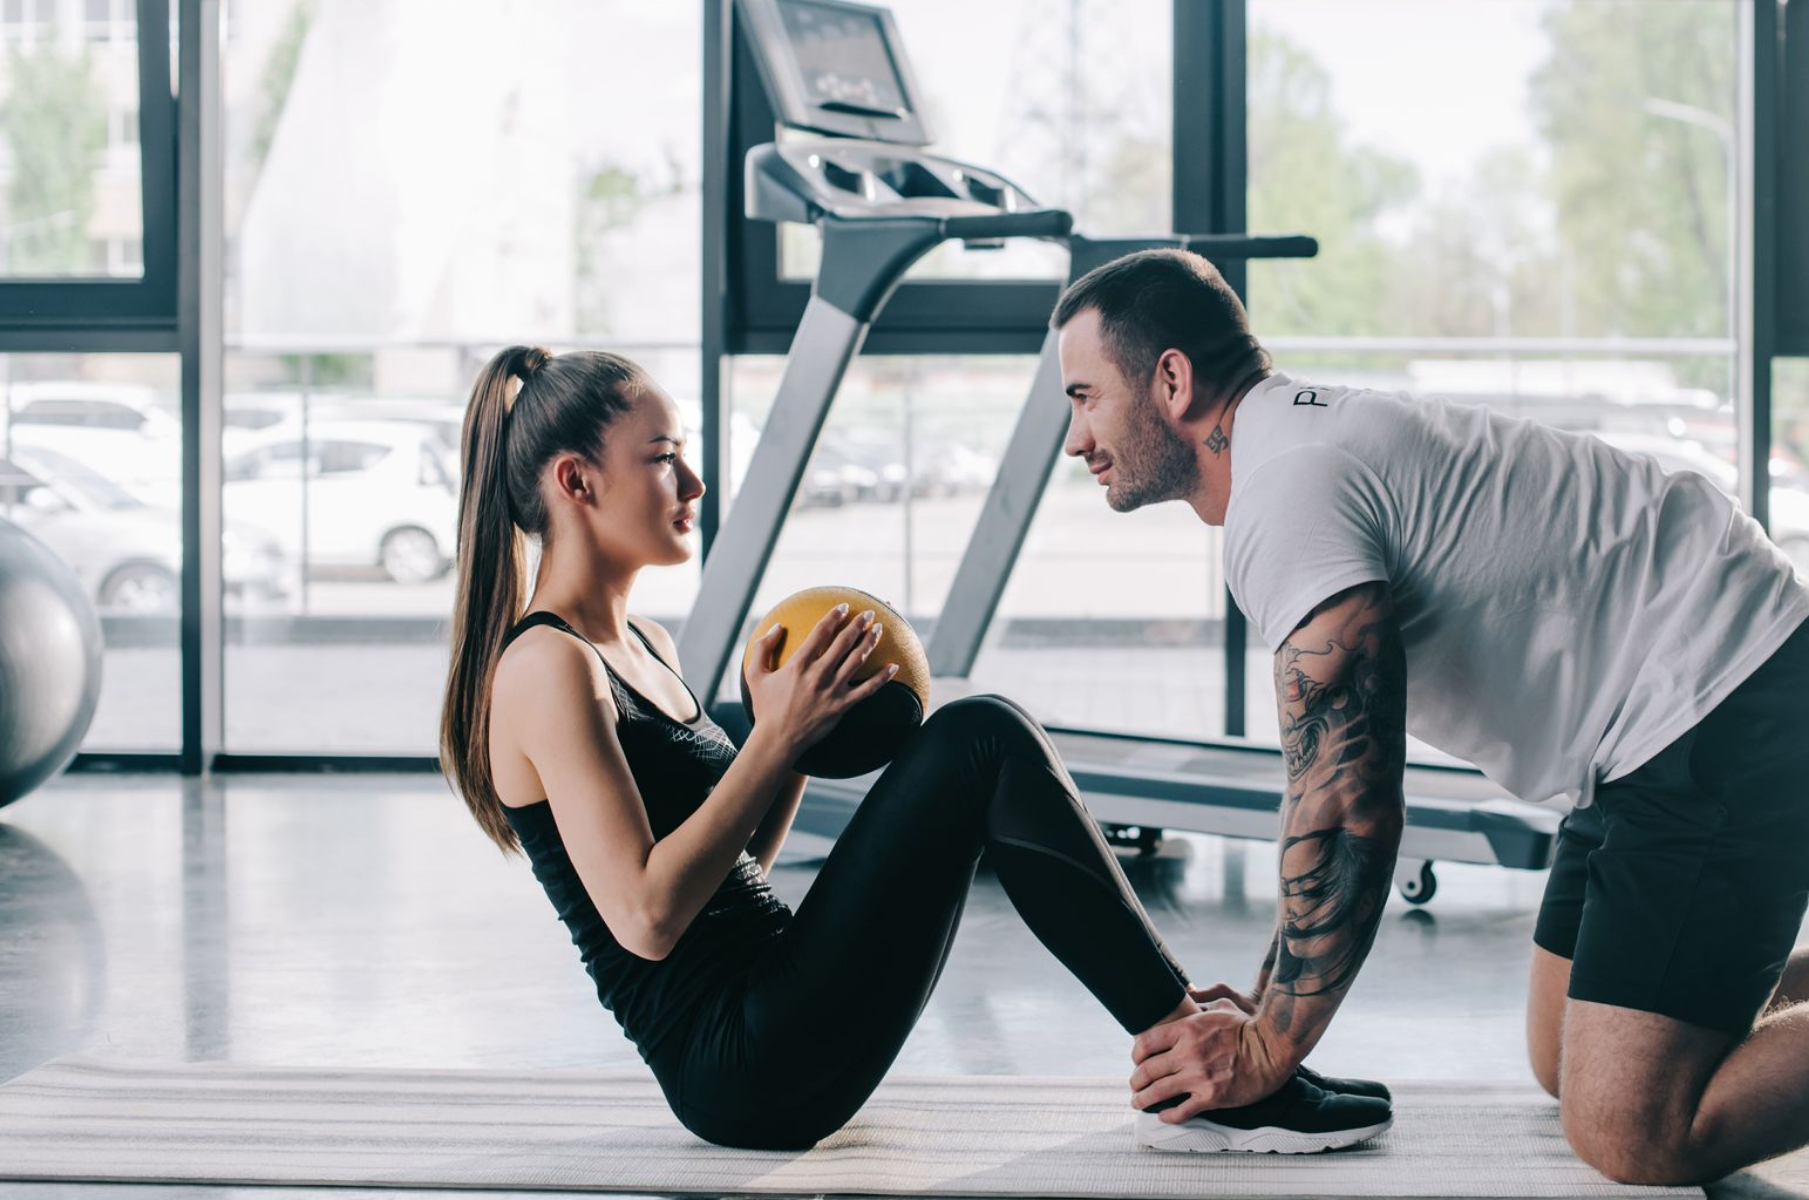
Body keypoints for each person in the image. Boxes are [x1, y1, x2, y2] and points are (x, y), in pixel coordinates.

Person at [1053, 250, 1809, 1184]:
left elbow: (1346, 799)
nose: (1076, 438)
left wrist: (1271, 1041)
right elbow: (1335, 789)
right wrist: (1263, 1001)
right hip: (1663, 725)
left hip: (1733, 705)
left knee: (1631, 1128)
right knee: (1567, 1054)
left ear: (1170, 381)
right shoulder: (1295, 449)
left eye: (1083, 397)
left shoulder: (1284, 488)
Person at [434, 345, 1392, 1153]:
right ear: (575, 481)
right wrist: (772, 738)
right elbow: (645, 919)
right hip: (736, 1064)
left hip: (775, 1004)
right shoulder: (545, 667)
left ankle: (1191, 1046)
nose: (691, 483)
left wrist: (799, 743)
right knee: (983, 737)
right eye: (663, 457)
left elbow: (732, 877)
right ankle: (1203, 1059)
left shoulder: (641, 648)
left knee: (984, 738)